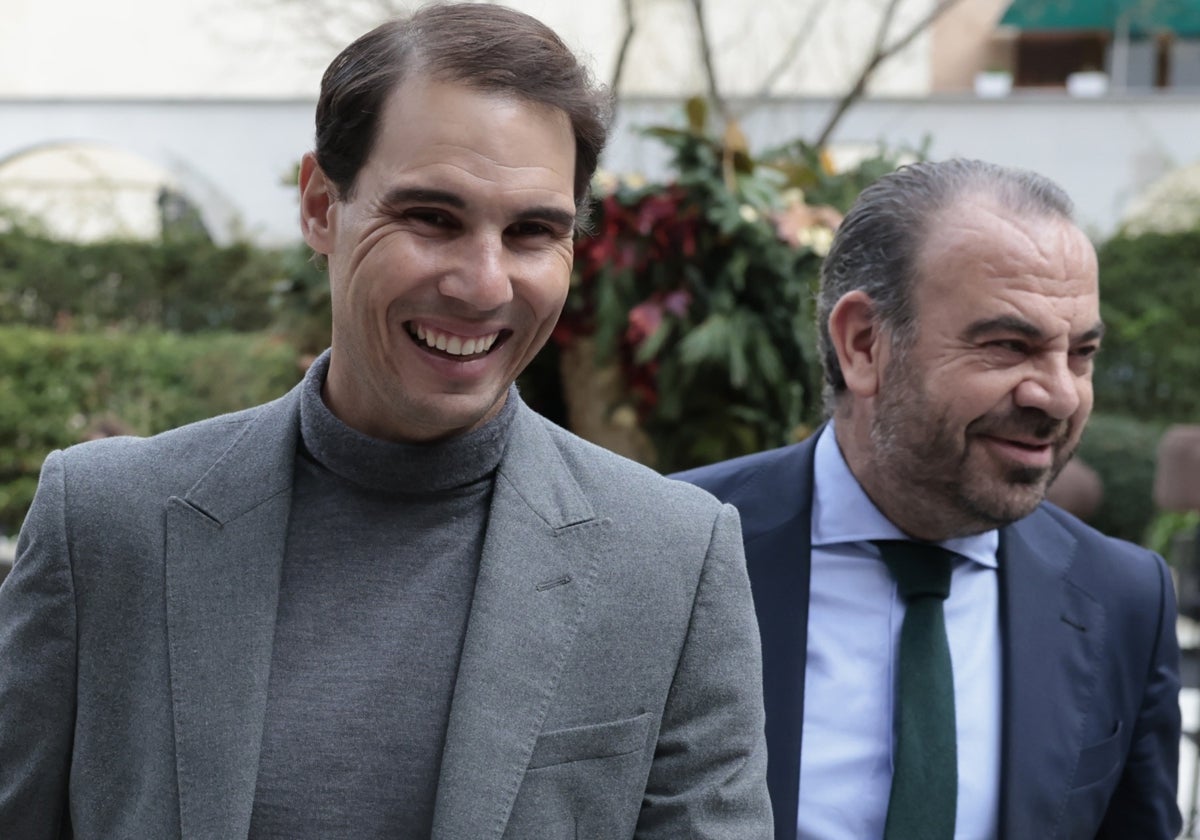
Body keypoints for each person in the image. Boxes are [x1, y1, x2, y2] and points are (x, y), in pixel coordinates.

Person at [0, 5, 772, 838]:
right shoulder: (104, 524)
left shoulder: (671, 560)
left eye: (532, 232)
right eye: (432, 218)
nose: (483, 285)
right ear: (321, 207)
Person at [676, 159, 1181, 839]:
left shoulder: (1124, 598)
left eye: (1081, 354)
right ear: (864, 345)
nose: (1059, 395)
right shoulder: (670, 551)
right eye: (1009, 346)